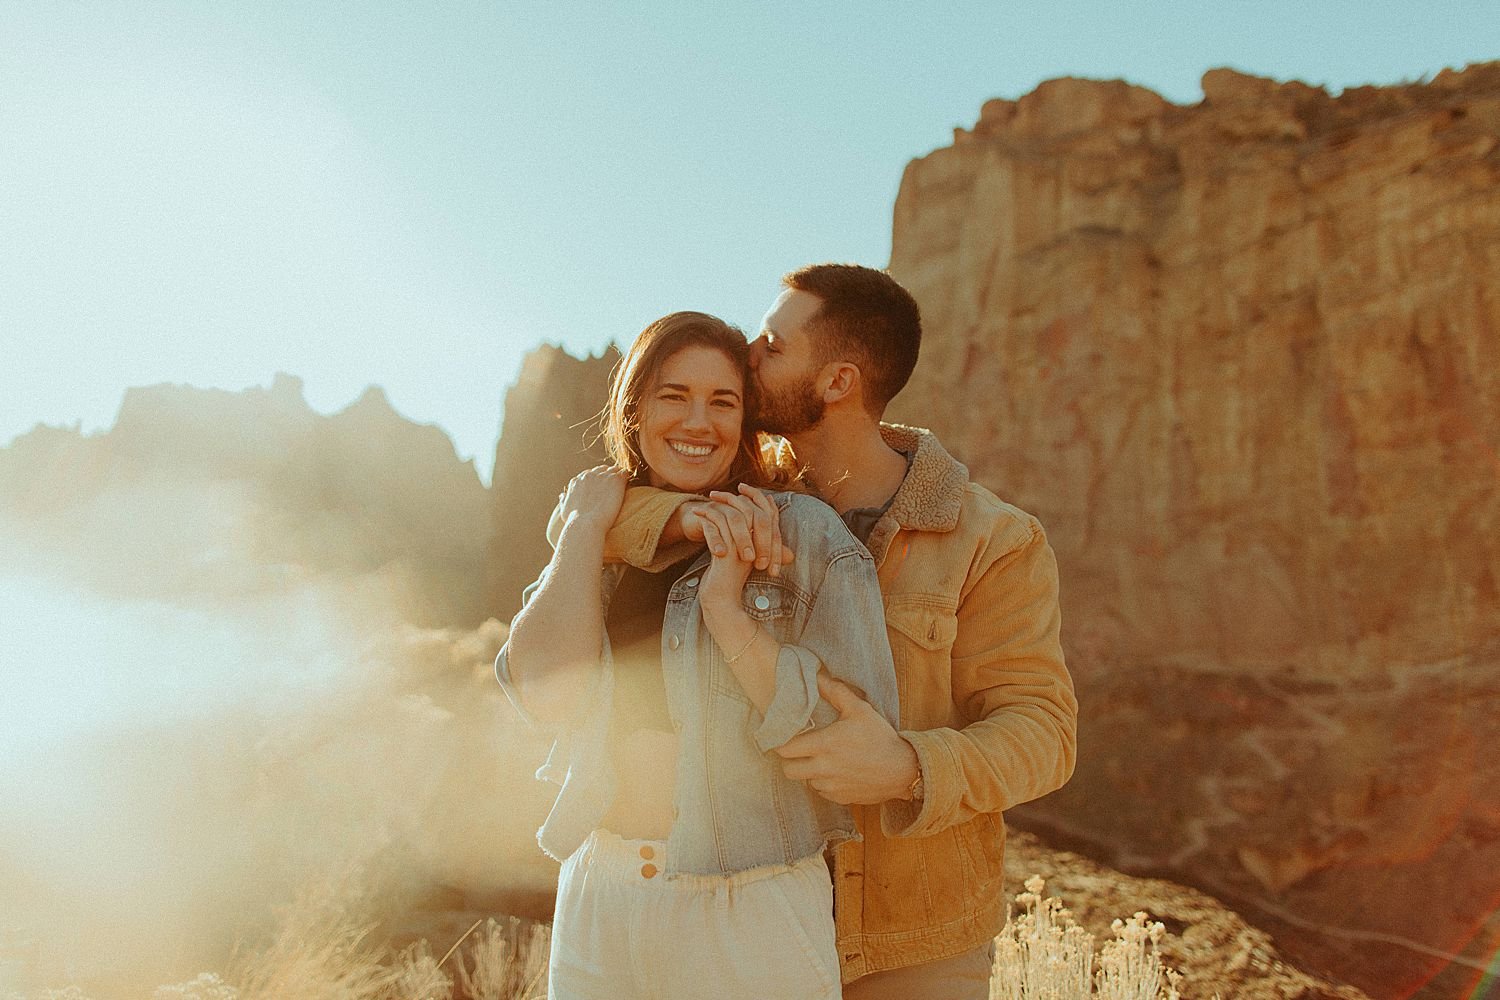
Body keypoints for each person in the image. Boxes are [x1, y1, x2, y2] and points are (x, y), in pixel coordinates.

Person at [597, 265, 1078, 1000]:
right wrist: (682, 517)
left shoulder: (995, 539)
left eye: (772, 347)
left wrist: (908, 767)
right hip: (746, 905)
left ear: (837, 382)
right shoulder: (746, 494)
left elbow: (1043, 731)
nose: (748, 359)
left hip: (910, 941)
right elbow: (610, 511)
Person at [495, 311, 899, 1000]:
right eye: (673, 395)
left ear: (745, 421)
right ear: (635, 409)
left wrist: (725, 610)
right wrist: (583, 529)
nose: (697, 421)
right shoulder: (603, 534)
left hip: (751, 906)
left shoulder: (800, 532)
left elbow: (852, 742)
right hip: (601, 890)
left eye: (723, 401)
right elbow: (544, 692)